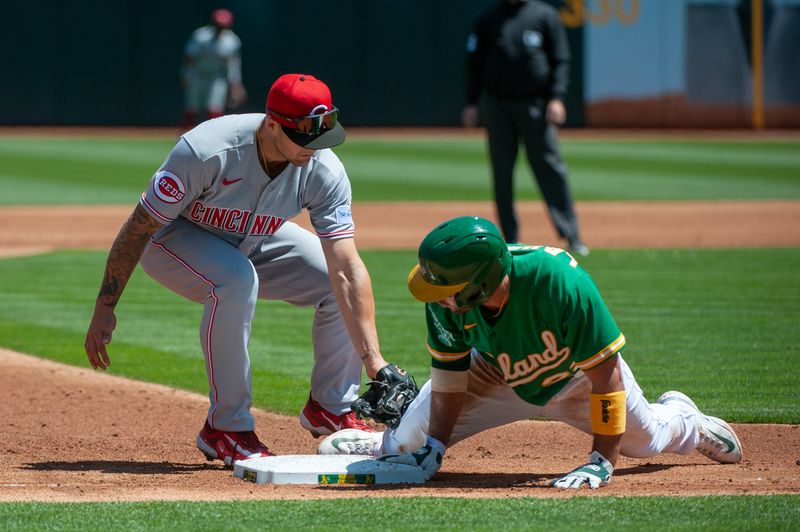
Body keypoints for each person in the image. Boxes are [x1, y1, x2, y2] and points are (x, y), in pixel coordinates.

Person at [85, 73, 408, 466]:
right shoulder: (206, 150)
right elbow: (140, 226)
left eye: (321, 136)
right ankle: (226, 427)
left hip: (251, 238)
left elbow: (346, 267)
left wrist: (375, 361)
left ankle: (331, 406)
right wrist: (106, 306)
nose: (315, 148)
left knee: (329, 278)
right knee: (235, 280)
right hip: (173, 239)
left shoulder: (323, 167)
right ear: (272, 124)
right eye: (304, 136)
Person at [318, 216, 743, 489]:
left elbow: (607, 378)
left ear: (477, 284)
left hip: (577, 378)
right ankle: (383, 444)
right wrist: (433, 444)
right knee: (411, 447)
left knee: (647, 442)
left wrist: (601, 463)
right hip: (493, 374)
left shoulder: (559, 282)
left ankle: (689, 421)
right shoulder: (445, 301)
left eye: (445, 289)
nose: (435, 296)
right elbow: (449, 379)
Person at [462, 0, 587, 256]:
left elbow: (561, 59)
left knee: (549, 167)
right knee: (502, 173)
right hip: (497, 105)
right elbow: (474, 62)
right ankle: (510, 239)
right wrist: (471, 102)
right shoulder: (488, 18)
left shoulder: (544, 16)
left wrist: (557, 97)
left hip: (536, 105)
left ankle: (571, 234)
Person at [180, 8, 247, 131]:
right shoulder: (201, 36)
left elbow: (233, 66)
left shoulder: (232, 41)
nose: (220, 27)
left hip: (216, 76)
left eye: (222, 25)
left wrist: (236, 85)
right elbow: (189, 57)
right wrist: (186, 74)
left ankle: (214, 138)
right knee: (191, 107)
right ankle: (184, 136)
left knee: (215, 108)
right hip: (197, 74)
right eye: (218, 24)